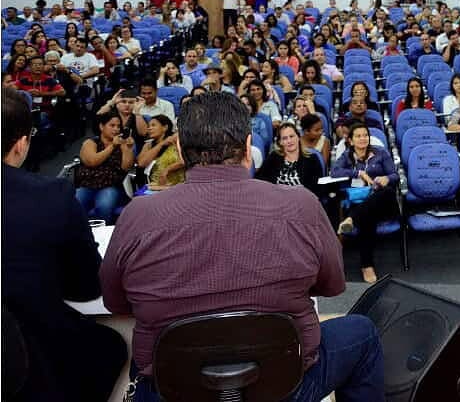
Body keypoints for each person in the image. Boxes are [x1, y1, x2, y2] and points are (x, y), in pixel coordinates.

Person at [100, 93, 384, 400]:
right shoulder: (302, 205)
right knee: (362, 333)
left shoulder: (137, 215)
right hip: (285, 385)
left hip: (174, 389)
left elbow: (116, 302)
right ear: (248, 148)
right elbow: (331, 285)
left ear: (180, 150)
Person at [1, 88, 128, 402]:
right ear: (20, 143)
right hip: (29, 355)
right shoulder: (51, 195)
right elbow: (85, 287)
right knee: (116, 344)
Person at [332, 123, 400, 284]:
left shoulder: (380, 153)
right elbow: (334, 172)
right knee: (367, 217)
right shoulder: (347, 156)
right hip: (360, 202)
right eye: (358, 136)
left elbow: (395, 175)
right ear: (350, 140)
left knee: (387, 191)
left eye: (365, 135)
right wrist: (358, 173)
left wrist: (386, 178)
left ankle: (351, 220)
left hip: (383, 202)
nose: (363, 139)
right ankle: (367, 265)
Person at [76, 111, 134, 224]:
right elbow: (92, 161)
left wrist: (128, 149)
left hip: (110, 186)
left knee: (103, 206)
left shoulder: (121, 144)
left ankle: (105, 236)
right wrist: (112, 146)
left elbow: (126, 167)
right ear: (102, 126)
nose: (116, 129)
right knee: (75, 205)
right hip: (87, 185)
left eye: (118, 126)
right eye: (112, 125)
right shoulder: (91, 142)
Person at [256, 122, 324, 197]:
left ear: (298, 137)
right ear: (280, 142)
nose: (289, 141)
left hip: (302, 203)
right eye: (285, 138)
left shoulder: (312, 159)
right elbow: (260, 180)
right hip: (277, 201)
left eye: (291, 136)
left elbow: (318, 189)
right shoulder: (274, 157)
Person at [136, 114, 185, 190]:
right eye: (148, 126)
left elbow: (184, 161)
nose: (149, 128)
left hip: (177, 185)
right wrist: (161, 144)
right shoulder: (148, 145)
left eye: (153, 125)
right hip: (155, 185)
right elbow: (141, 164)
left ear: (165, 127)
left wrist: (167, 170)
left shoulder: (176, 139)